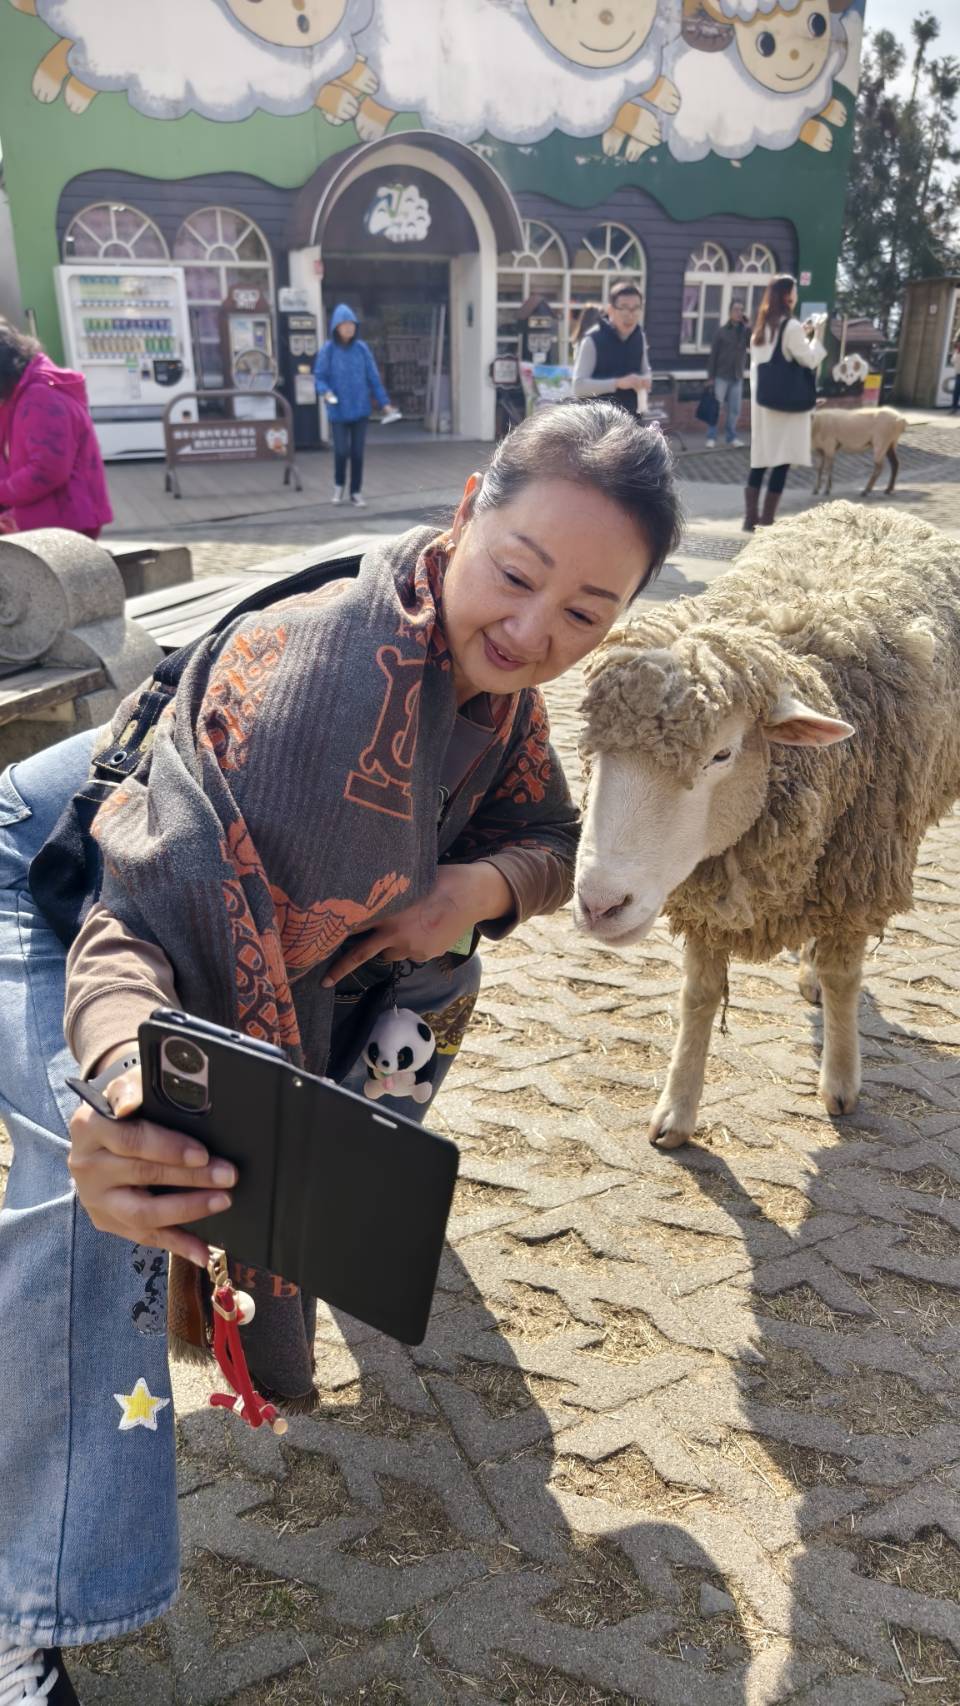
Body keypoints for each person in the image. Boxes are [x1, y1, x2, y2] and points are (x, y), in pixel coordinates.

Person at [0, 400, 682, 1701]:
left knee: (426, 977)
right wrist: (126, 1089)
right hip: (53, 878)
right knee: (106, 1199)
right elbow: (129, 932)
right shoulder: (325, 698)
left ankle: (315, 1196)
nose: (535, 631)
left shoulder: (490, 694)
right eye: (520, 573)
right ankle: (23, 1602)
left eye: (586, 612)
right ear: (467, 508)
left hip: (166, 871)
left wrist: (468, 891)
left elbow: (548, 832)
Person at [0, 319, 112, 538]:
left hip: (61, 528)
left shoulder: (41, 397)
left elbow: (47, 470)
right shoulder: (19, 393)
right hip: (41, 521)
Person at [744, 273, 826, 531]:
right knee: (782, 460)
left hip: (764, 404)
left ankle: (750, 517)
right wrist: (818, 335)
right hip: (786, 406)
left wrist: (801, 333)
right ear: (788, 296)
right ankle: (767, 519)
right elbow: (808, 359)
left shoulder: (760, 329)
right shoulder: (790, 327)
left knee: (760, 460)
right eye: (794, 291)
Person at [313, 303, 393, 508]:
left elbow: (373, 378)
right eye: (345, 324)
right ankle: (338, 485)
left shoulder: (361, 349)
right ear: (336, 327)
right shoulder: (328, 350)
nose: (349, 328)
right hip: (338, 410)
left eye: (352, 324)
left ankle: (355, 492)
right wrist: (326, 391)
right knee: (341, 451)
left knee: (357, 453)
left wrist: (385, 404)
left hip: (360, 409)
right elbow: (319, 377)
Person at [572, 282, 652, 418]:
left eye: (636, 308)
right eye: (624, 308)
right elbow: (578, 387)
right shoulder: (592, 340)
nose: (631, 315)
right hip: (598, 423)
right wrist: (617, 383)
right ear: (610, 310)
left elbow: (645, 371)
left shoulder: (639, 336)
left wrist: (645, 380)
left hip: (631, 420)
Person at [704, 299, 749, 448]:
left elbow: (755, 342)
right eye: (736, 309)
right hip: (721, 376)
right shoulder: (721, 331)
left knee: (734, 410)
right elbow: (713, 356)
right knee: (716, 407)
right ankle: (711, 437)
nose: (739, 312)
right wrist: (710, 377)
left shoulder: (745, 332)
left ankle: (731, 437)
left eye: (741, 310)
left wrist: (747, 325)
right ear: (730, 312)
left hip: (737, 376)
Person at [949, 336, 960, 414]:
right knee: (956, 391)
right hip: (958, 374)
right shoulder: (956, 352)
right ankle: (954, 407)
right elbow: (952, 361)